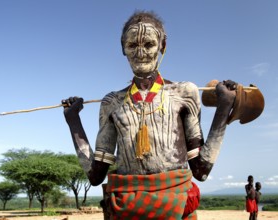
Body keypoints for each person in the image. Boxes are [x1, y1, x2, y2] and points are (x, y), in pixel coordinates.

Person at [62, 11, 237, 219]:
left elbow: (201, 171)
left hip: (176, 206)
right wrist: (73, 121)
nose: (140, 53)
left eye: (148, 44)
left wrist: (224, 108)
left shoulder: (184, 93)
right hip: (127, 208)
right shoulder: (111, 103)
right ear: (123, 48)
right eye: (132, 46)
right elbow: (95, 175)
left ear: (163, 45)